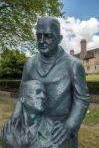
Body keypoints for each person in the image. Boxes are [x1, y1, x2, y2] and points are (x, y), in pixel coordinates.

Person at [12, 17, 90, 148]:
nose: (42, 41)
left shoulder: (73, 65)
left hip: (59, 130)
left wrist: (70, 125)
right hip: (34, 128)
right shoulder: (30, 64)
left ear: (59, 39)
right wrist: (16, 115)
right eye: (39, 36)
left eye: (48, 36)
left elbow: (82, 98)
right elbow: (22, 92)